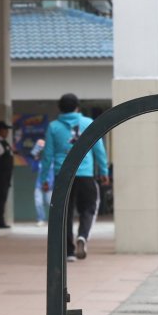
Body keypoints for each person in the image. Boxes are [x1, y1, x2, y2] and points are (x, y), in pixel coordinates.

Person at [40, 93, 108, 261]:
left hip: (62, 175)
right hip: (85, 174)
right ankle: (83, 236)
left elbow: (47, 155)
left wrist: (44, 180)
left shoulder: (53, 127)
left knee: (64, 213)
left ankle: (69, 252)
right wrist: (104, 172)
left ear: (60, 108)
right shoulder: (88, 123)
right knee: (89, 208)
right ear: (78, 107)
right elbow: (99, 151)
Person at [31, 138, 52, 226]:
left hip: (49, 185)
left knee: (51, 203)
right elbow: (34, 169)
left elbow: (52, 173)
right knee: (38, 202)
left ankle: (54, 220)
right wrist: (36, 158)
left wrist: (50, 184)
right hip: (39, 184)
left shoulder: (51, 159)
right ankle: (41, 219)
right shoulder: (38, 161)